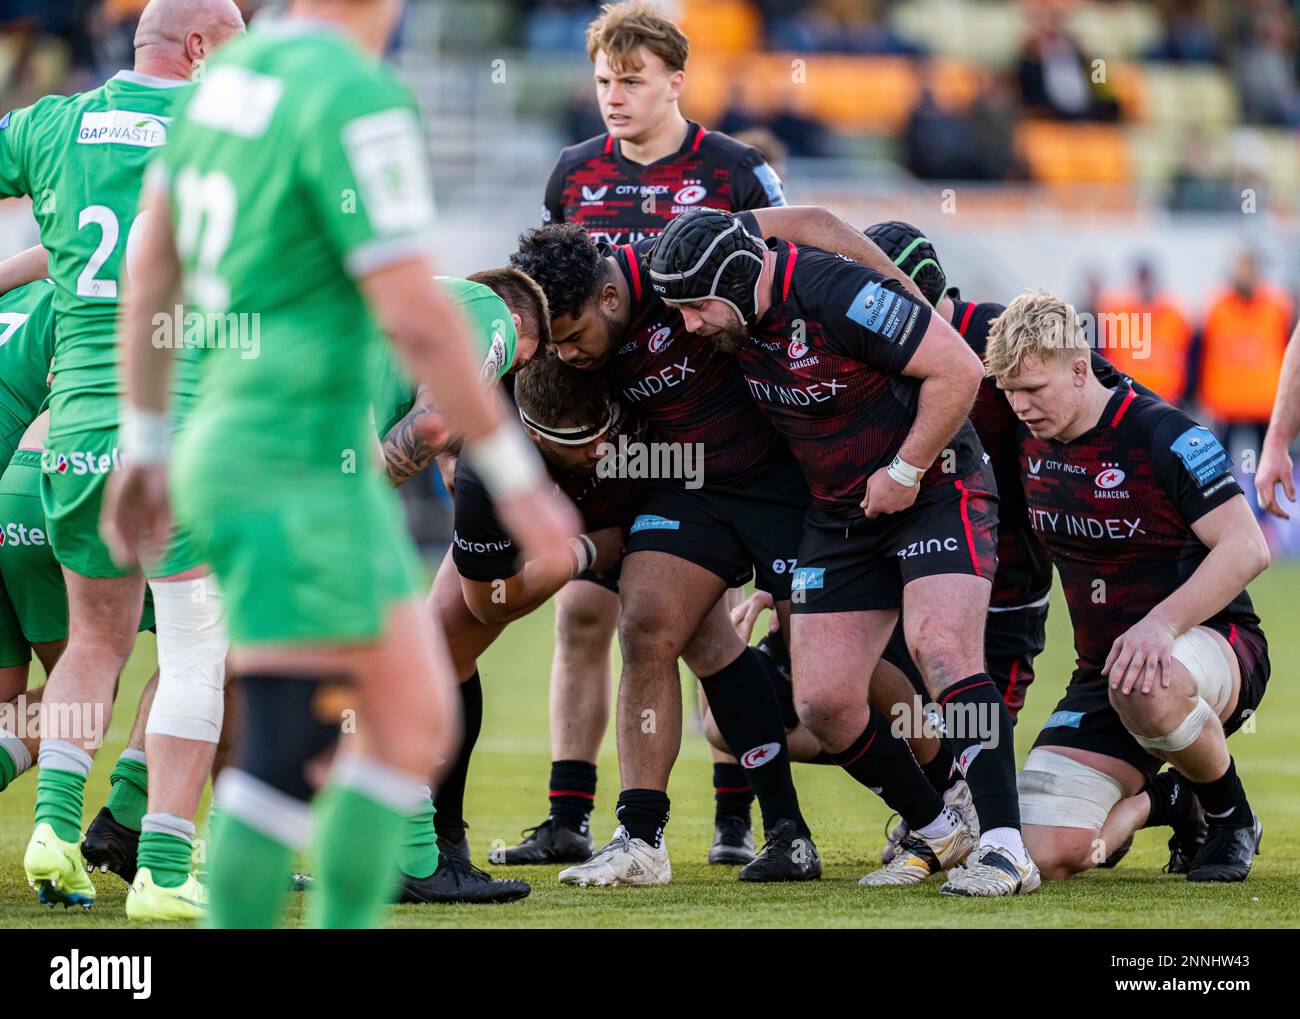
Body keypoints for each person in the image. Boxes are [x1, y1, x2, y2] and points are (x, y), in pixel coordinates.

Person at [102, 0, 578, 929]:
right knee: (372, 723)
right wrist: (522, 487)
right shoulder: (355, 91)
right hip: (307, 456)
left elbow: (151, 265)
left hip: (222, 440)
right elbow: (412, 310)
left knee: (337, 722)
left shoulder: (226, 83)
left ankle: (175, 838)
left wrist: (148, 445)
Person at [650, 208, 1038, 896]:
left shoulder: (838, 294)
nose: (690, 325)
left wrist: (907, 468)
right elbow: (807, 216)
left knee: (942, 651)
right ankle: (937, 823)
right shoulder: (729, 283)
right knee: (826, 701)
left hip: (935, 486)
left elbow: (958, 369)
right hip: (840, 513)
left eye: (697, 307)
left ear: (740, 278)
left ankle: (1006, 845)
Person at [525, 0, 789, 868]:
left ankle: (743, 814)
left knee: (702, 628)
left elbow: (786, 284)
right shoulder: (572, 172)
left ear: (677, 81)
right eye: (603, 80)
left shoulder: (738, 170)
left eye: (632, 81)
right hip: (608, 442)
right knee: (587, 618)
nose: (614, 96)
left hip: (713, 440)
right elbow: (544, 299)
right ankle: (573, 815)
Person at [0, 0, 247, 919]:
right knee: (194, 649)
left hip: (73, 433)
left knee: (94, 642)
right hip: (179, 424)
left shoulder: (53, 122)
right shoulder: (225, 128)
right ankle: (167, 870)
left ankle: (56, 830)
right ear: (196, 50)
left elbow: (87, 245)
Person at [986, 291, 1270, 883]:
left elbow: (1248, 548)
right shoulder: (1025, 438)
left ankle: (1229, 816)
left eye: (1033, 389)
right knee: (1046, 853)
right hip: (1105, 670)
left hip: (1211, 644)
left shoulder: (1162, 434)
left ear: (1080, 368)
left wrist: (1161, 625)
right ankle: (1169, 800)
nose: (1019, 406)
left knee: (1146, 680)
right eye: (1009, 391)